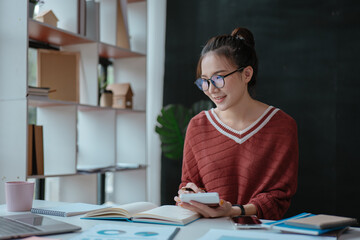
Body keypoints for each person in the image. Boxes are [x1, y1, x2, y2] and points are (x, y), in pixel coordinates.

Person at [174, 27, 299, 220]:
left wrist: (233, 211)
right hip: (208, 232)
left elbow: (277, 199)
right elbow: (188, 185)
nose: (211, 89)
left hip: (259, 233)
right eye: (205, 81)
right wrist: (189, 194)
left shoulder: (281, 126)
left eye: (218, 78)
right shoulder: (198, 126)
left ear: (246, 74)